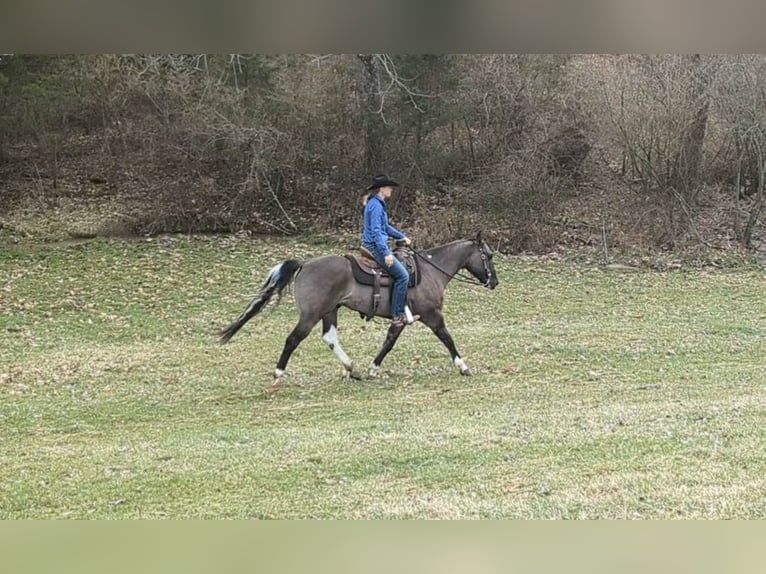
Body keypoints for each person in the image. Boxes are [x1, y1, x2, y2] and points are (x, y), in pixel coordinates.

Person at [362, 175, 419, 327]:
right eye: (389, 187)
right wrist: (386, 253)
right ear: (381, 188)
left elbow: (385, 227)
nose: (391, 190)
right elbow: (376, 232)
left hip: (376, 245)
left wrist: (402, 236)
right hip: (375, 247)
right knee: (403, 276)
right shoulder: (375, 206)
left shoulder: (378, 204)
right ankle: (397, 314)